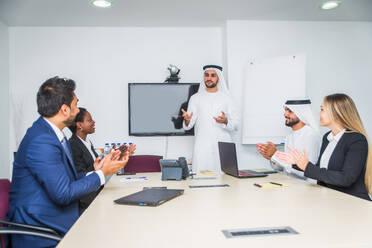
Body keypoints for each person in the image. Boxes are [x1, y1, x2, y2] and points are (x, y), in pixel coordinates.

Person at [8, 77, 132, 247]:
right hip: (43, 231)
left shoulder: (50, 134)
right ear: (64, 109)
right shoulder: (42, 141)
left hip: (57, 220)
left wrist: (96, 170)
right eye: (75, 104)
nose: (77, 109)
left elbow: (63, 182)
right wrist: (102, 174)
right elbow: (63, 193)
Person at [276, 93, 372, 201]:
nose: (319, 113)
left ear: (336, 113)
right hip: (330, 199)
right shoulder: (327, 137)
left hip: (353, 202)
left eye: (322, 109)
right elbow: (321, 171)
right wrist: (298, 163)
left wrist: (307, 167)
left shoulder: (356, 140)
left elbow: (346, 178)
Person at [182, 65, 239, 173]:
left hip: (222, 147)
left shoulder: (227, 98)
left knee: (225, 182)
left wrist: (225, 121)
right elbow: (188, 124)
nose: (209, 78)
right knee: (201, 181)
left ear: (218, 78)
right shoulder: (195, 98)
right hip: (202, 146)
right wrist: (187, 119)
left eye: (213, 75)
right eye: (206, 75)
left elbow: (236, 125)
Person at [256, 99, 321, 181]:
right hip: (290, 183)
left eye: (290, 111)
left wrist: (275, 154)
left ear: (300, 113)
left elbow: (306, 170)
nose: (285, 114)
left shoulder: (311, 135)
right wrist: (272, 157)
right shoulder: (290, 135)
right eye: (285, 110)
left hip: (306, 187)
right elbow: (284, 168)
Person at [68, 107, 101, 214]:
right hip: (87, 200)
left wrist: (114, 155)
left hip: (96, 191)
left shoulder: (86, 143)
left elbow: (95, 166)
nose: (93, 122)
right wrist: (100, 166)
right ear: (79, 125)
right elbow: (81, 175)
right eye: (90, 120)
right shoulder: (73, 145)